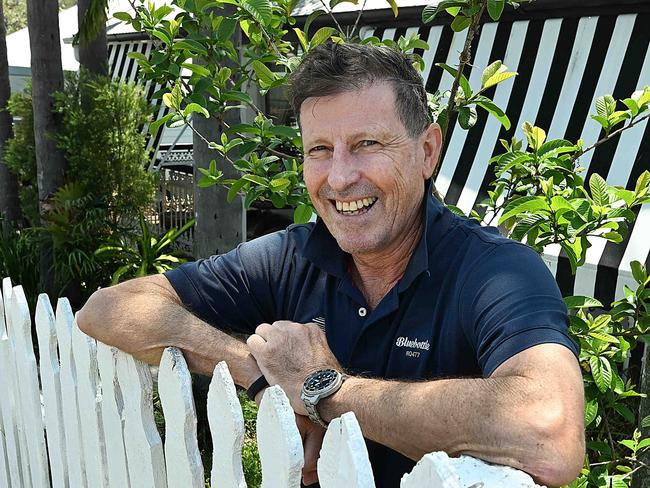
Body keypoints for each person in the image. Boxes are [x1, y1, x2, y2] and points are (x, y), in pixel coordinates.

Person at [78, 42, 585, 487]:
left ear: (427, 151)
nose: (339, 178)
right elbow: (107, 310)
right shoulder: (290, 258)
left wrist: (327, 391)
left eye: (367, 144)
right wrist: (258, 373)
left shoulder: (496, 272)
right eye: (319, 150)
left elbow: (550, 432)